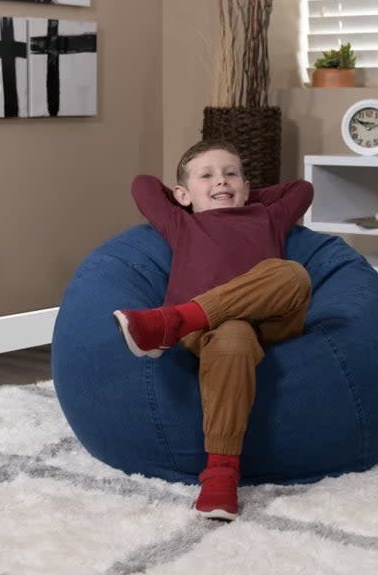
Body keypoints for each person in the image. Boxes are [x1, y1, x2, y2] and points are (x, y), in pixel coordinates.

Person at [113, 139, 313, 521]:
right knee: (233, 336)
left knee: (292, 274)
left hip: (269, 322)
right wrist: (189, 198)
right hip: (213, 336)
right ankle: (221, 474)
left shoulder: (266, 216)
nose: (221, 181)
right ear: (183, 194)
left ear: (247, 186)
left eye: (231, 174)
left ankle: (172, 321)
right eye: (207, 176)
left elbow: (302, 189)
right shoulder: (181, 222)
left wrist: (246, 197)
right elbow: (143, 184)